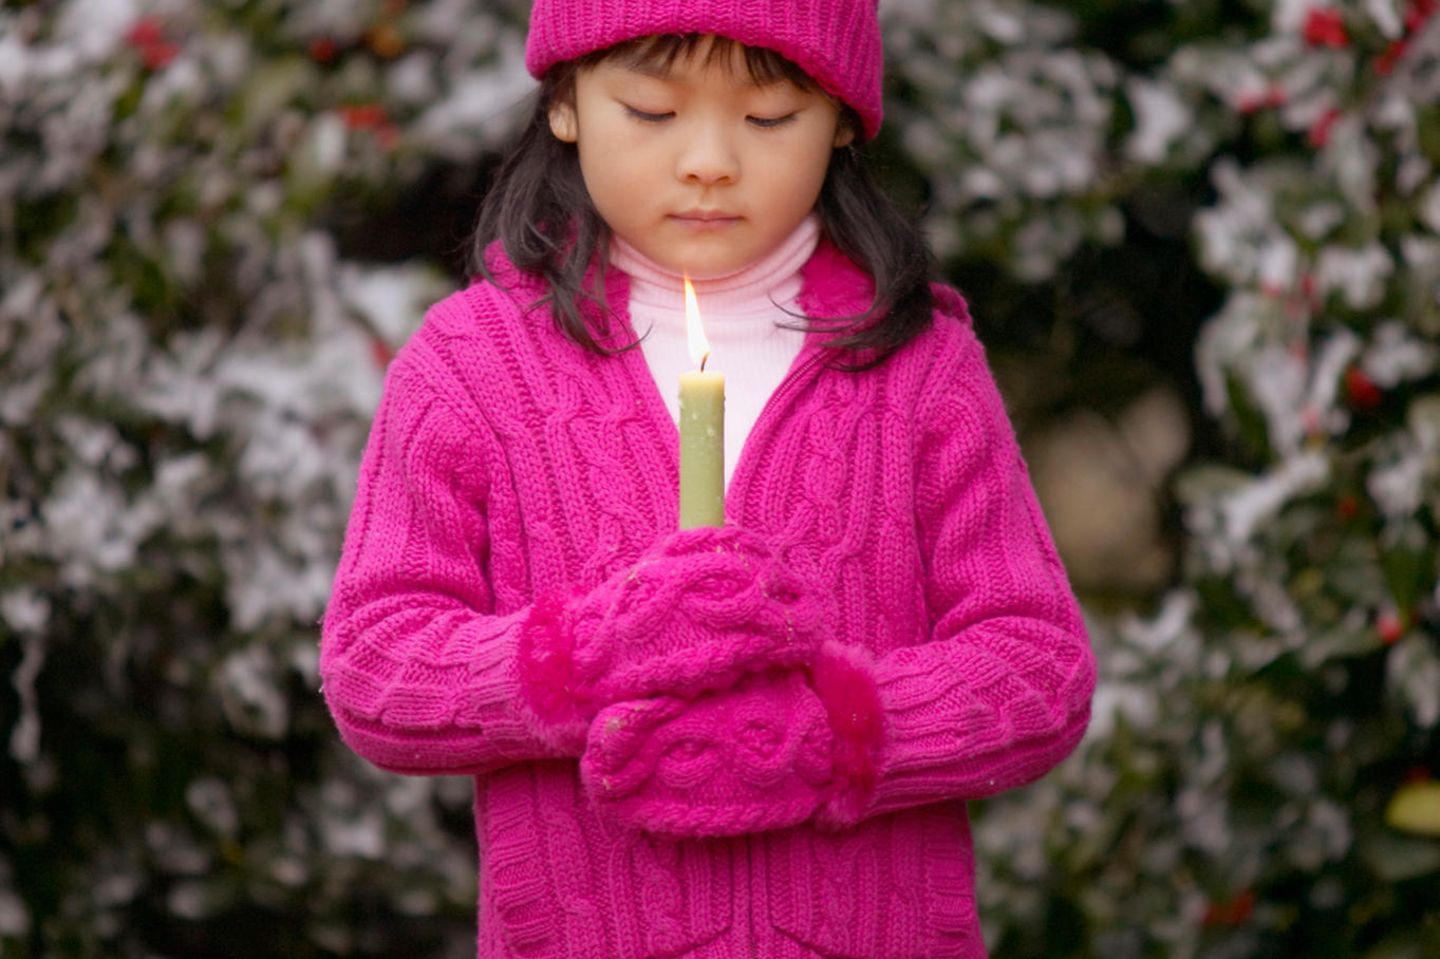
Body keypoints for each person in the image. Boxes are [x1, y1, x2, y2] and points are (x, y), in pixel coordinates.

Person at [319, 0, 1098, 955]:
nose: (710, 161)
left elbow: (1037, 665)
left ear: (843, 119)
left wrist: (832, 737)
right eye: (652, 111)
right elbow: (375, 663)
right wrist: (591, 654)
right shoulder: (471, 369)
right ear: (565, 101)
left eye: (769, 119)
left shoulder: (920, 368)